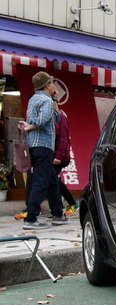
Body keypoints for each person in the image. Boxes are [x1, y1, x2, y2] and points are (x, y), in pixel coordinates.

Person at [17, 71, 69, 230]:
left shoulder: (34, 99)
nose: (54, 85)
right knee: (41, 182)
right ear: (47, 85)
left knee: (52, 179)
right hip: (44, 146)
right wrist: (30, 126)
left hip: (34, 146)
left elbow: (57, 117)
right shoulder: (45, 100)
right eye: (52, 82)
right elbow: (43, 119)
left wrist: (55, 99)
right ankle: (31, 218)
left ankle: (58, 214)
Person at [15, 109, 78, 220]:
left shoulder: (59, 117)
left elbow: (63, 138)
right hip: (45, 153)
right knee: (50, 179)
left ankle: (39, 210)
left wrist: (58, 156)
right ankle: (59, 210)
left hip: (56, 156)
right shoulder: (40, 117)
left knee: (49, 180)